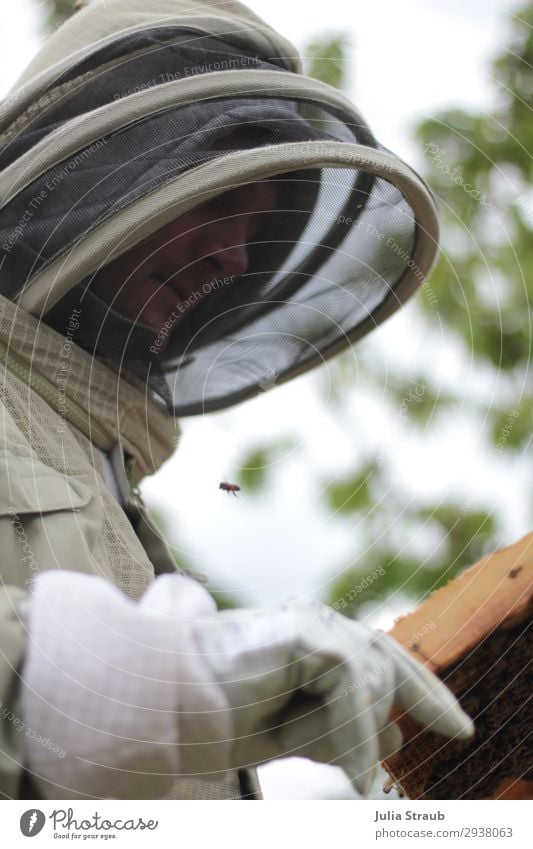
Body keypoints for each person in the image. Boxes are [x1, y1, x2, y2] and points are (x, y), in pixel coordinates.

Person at [0, 0, 473, 800]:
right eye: (218, 204)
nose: (234, 256)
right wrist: (169, 689)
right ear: (100, 172)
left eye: (257, 233)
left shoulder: (99, 462)